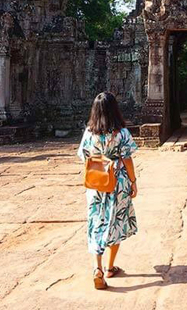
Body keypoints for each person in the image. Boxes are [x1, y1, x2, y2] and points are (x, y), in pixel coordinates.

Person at [77, 92, 139, 290]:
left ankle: (98, 268)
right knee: (116, 221)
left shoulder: (89, 132)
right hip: (118, 181)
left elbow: (84, 157)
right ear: (115, 110)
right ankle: (110, 266)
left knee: (97, 221)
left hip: (96, 182)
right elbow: (127, 158)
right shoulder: (121, 133)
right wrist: (133, 181)